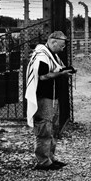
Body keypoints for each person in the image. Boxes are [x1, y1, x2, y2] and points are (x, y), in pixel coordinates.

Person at [25, 31, 74, 171]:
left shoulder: (51, 55)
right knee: (44, 127)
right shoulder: (42, 56)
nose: (63, 49)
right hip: (43, 97)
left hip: (51, 96)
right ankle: (43, 161)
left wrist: (63, 71)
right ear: (53, 42)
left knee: (52, 127)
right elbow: (43, 76)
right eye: (62, 46)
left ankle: (50, 158)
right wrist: (61, 73)